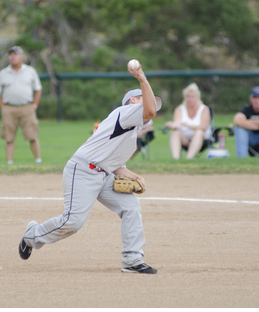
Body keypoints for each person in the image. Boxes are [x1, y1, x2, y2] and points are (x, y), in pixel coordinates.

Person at [18, 62, 162, 274]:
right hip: (83, 170)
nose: (149, 103)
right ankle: (32, 235)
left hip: (102, 174)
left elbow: (115, 165)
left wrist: (135, 176)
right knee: (72, 222)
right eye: (142, 97)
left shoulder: (130, 135)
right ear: (133, 100)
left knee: (130, 207)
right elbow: (149, 112)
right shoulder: (125, 112)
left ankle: (132, 259)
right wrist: (142, 78)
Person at [0, 46, 42, 165]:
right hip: (9, 108)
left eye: (15, 54)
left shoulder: (30, 71)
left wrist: (35, 105)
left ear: (22, 57)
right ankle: (9, 163)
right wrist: (3, 107)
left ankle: (38, 161)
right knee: (9, 137)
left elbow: (38, 89)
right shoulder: (3, 73)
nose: (13, 57)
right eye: (11, 55)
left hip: (27, 107)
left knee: (32, 135)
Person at [164, 83, 212, 159]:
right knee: (175, 131)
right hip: (184, 138)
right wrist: (172, 125)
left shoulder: (204, 109)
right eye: (188, 97)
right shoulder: (179, 109)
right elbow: (177, 123)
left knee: (198, 132)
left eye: (192, 97)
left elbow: (203, 127)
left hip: (201, 139)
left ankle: (189, 158)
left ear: (197, 97)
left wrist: (188, 125)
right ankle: (175, 159)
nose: (190, 99)